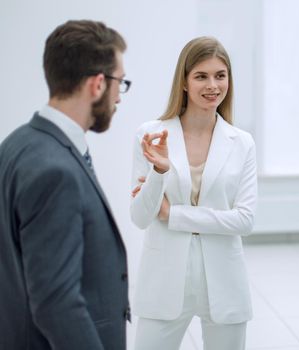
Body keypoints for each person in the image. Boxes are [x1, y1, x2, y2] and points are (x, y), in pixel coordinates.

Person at [0, 20, 130, 350]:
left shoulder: (16, 144)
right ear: (98, 84)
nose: (119, 96)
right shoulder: (55, 171)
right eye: (120, 82)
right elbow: (56, 302)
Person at [130, 36, 257, 350]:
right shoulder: (150, 134)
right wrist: (159, 172)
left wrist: (173, 214)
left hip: (225, 280)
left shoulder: (242, 143)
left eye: (220, 75)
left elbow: (244, 220)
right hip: (164, 280)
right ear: (184, 82)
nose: (212, 85)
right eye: (201, 76)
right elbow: (141, 217)